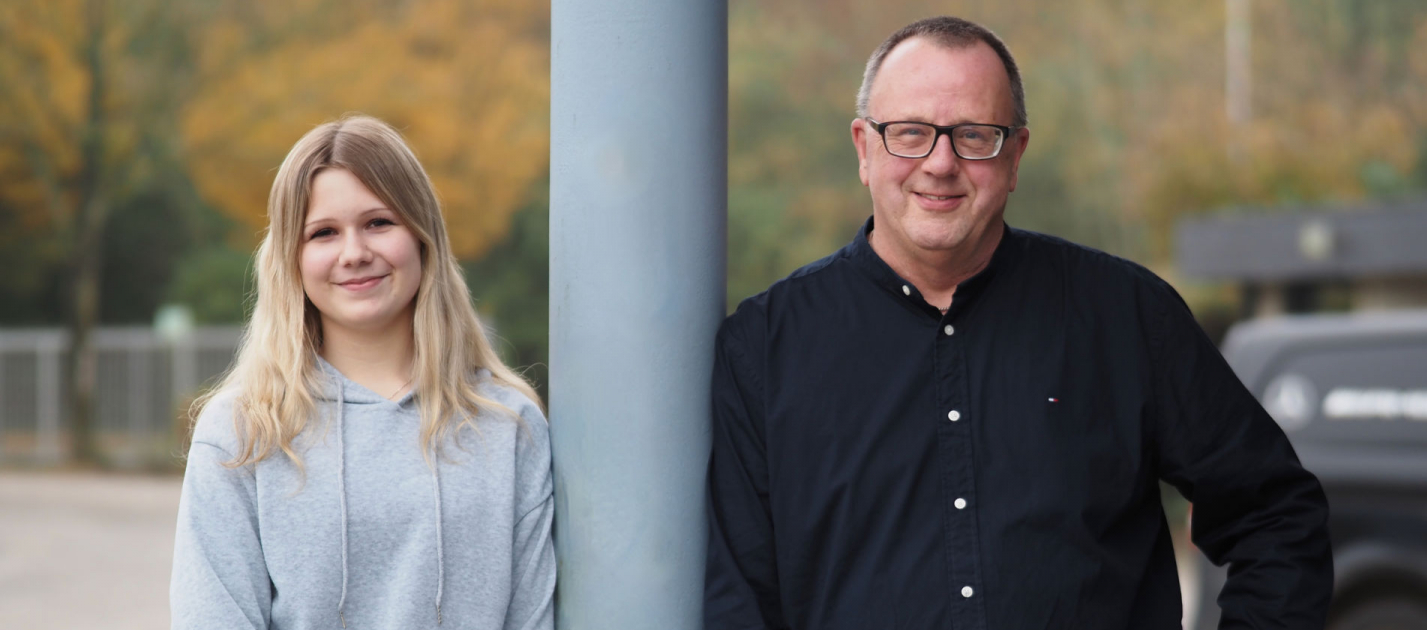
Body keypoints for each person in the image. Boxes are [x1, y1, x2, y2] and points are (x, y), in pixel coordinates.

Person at [704, 16, 1331, 630]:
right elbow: (738, 600)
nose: (941, 163)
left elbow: (1276, 515)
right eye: (910, 133)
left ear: (1015, 155)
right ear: (864, 148)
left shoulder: (1128, 317)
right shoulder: (764, 348)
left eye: (975, 135)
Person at [170, 115, 554, 630]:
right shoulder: (243, 432)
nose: (355, 253)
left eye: (378, 223)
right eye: (324, 233)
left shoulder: (510, 425)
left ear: (422, 236)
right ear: (292, 257)